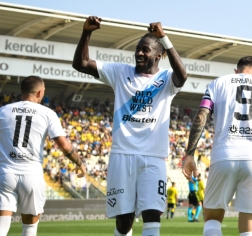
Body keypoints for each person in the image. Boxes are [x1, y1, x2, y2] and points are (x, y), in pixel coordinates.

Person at [72, 16, 188, 236]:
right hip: (122, 155)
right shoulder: (120, 72)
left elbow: (182, 76)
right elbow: (81, 64)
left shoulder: (166, 79)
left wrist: (164, 37)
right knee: (124, 222)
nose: (139, 53)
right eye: (137, 49)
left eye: (145, 50)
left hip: (153, 157)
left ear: (158, 55)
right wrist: (86, 32)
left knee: (152, 214)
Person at [182, 56, 252, 236]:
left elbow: (201, 117)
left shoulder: (218, 83)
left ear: (236, 71)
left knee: (212, 219)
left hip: (224, 155)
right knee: (250, 228)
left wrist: (190, 155)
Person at [0, 76, 86, 236]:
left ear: (22, 91)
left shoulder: (3, 111)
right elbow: (63, 144)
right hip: (31, 175)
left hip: (5, 173)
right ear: (40, 92)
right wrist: (79, 162)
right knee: (29, 227)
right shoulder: (47, 113)